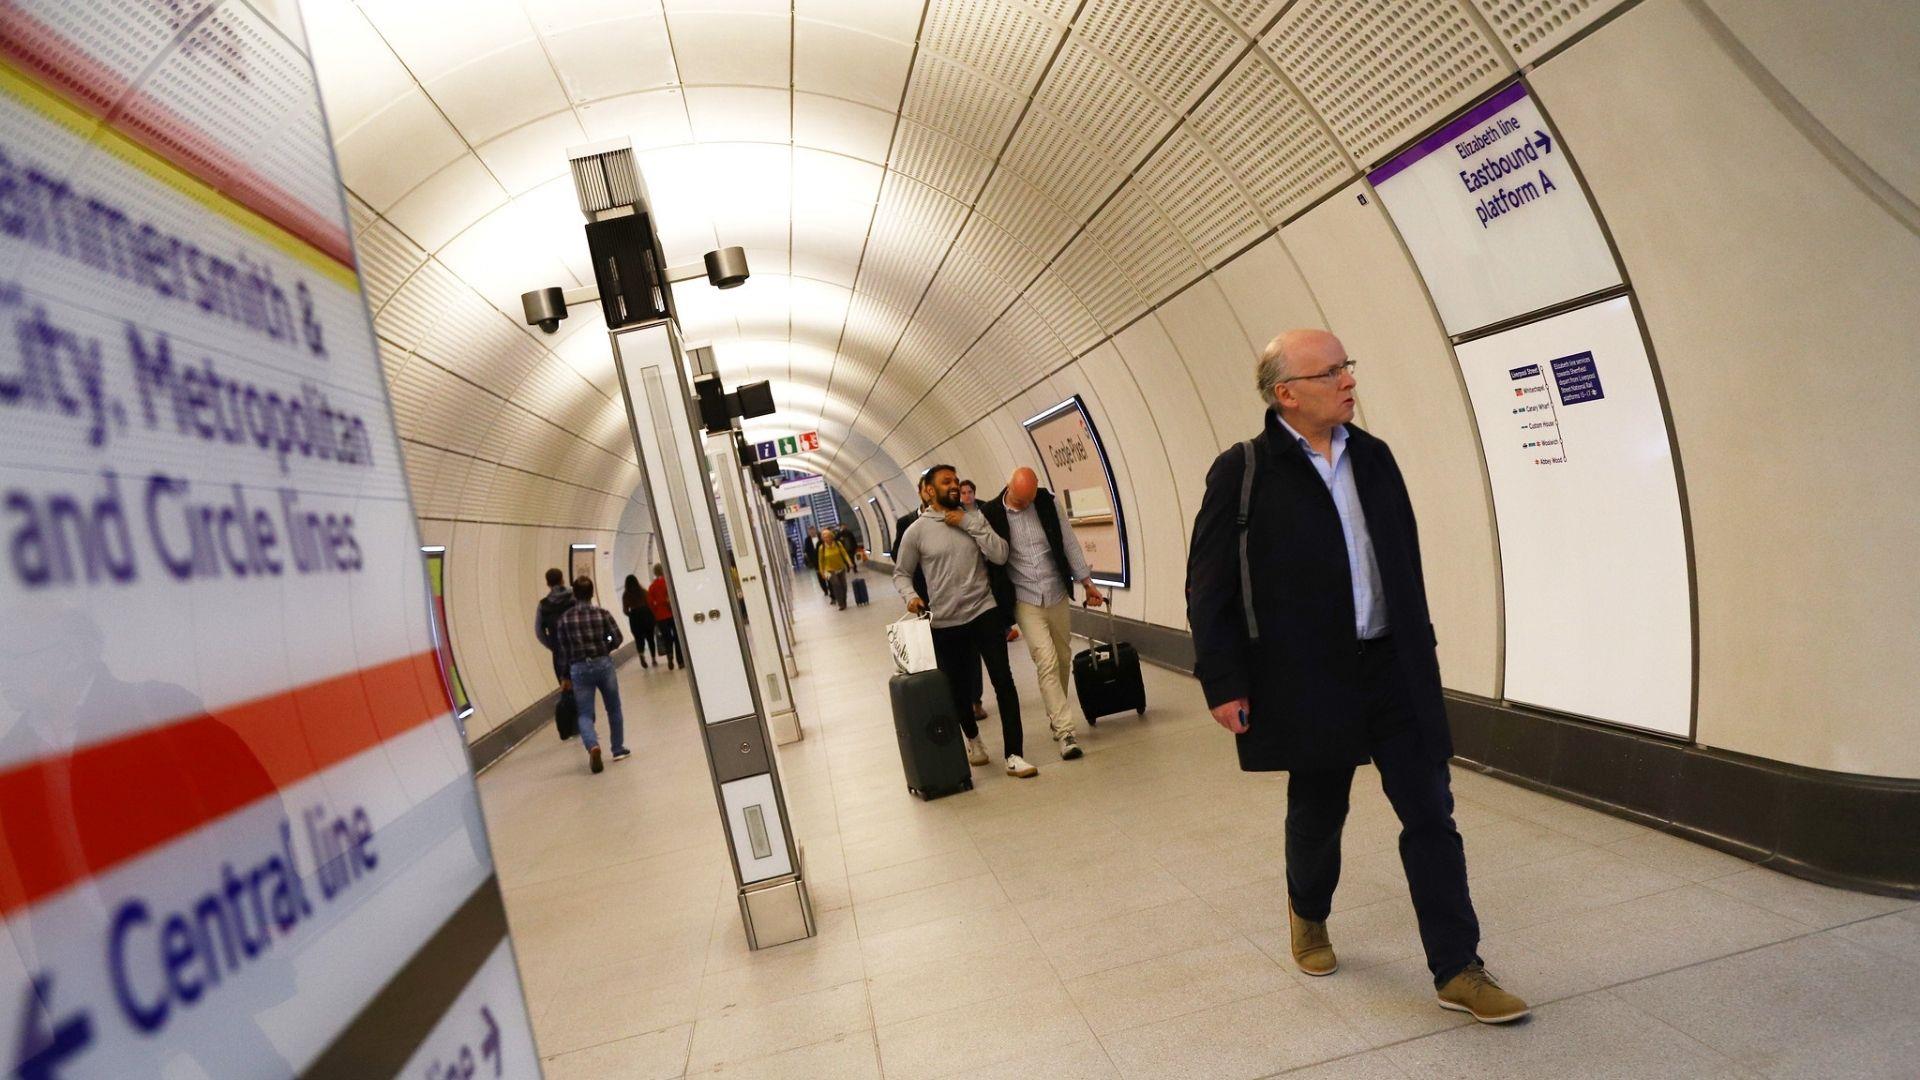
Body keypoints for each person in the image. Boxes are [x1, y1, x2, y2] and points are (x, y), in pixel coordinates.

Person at [1186, 329, 1528, 1024]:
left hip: (1392, 668)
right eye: (1332, 370)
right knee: (1320, 810)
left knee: (1431, 812)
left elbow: (1403, 567)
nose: (1348, 379)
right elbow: (1207, 584)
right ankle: (1308, 912)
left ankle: (1458, 967)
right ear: (1287, 393)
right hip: (1308, 676)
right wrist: (1223, 679)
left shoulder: (1373, 459)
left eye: (1348, 365)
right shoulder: (1244, 471)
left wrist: (1422, 655)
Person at [893, 465, 1036, 779]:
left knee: (1005, 683)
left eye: (956, 480)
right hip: (946, 622)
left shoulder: (975, 517)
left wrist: (970, 523)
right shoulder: (916, 531)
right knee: (957, 691)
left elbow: (1000, 555)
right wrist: (910, 596)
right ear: (929, 491)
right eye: (946, 482)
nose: (954, 486)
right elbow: (901, 573)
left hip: (984, 611)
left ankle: (1015, 754)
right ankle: (973, 739)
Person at [980, 467, 1106, 760]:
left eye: (1030, 499)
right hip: (1024, 599)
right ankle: (1065, 732)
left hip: (1056, 592)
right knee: (1046, 661)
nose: (1026, 505)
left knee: (1063, 658)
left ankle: (1055, 713)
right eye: (1021, 499)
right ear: (1008, 488)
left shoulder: (1047, 503)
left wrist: (1087, 582)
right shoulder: (992, 513)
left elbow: (1069, 542)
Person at [555, 576, 629, 774]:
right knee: (613, 708)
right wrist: (606, 647)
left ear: (575, 594)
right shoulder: (602, 614)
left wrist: (564, 677)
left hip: (578, 669)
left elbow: (563, 652)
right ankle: (618, 749)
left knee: (585, 713)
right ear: (592, 593)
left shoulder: (565, 620)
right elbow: (618, 637)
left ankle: (592, 745)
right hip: (603, 664)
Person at [533, 567, 576, 693]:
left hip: (559, 654)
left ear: (547, 583)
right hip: (579, 650)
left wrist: (552, 645)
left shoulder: (543, 605)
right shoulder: (574, 597)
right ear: (562, 580)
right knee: (585, 693)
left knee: (568, 692)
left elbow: (539, 632)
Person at [648, 563, 682, 669]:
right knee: (677, 637)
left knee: (667, 638)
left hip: (660, 616)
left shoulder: (652, 586)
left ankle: (670, 656)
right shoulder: (668, 582)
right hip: (671, 614)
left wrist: (656, 612)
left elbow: (650, 602)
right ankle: (680, 661)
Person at [622, 573, 659, 668]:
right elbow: (649, 604)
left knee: (639, 640)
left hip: (634, 617)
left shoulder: (626, 595)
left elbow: (625, 610)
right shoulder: (643, 592)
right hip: (646, 615)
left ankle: (642, 656)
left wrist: (631, 615)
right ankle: (654, 659)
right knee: (650, 638)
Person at [818, 526, 852, 609]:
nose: (827, 539)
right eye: (824, 537)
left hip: (840, 567)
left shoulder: (838, 544)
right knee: (836, 585)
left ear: (831, 536)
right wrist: (822, 572)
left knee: (844, 586)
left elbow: (844, 554)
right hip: (829, 570)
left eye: (828, 536)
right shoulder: (822, 548)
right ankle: (841, 604)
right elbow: (820, 561)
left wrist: (849, 563)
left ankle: (844, 601)